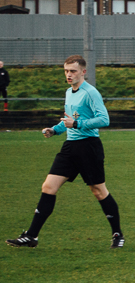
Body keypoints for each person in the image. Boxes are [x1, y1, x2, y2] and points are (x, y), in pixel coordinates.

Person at [8, 54, 124, 250]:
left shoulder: (91, 93)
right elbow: (68, 120)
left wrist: (77, 124)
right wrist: (55, 130)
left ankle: (117, 234)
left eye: (73, 71)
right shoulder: (69, 92)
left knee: (98, 191)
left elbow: (104, 120)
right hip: (70, 147)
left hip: (89, 146)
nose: (69, 75)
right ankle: (31, 236)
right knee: (48, 187)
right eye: (66, 71)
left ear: (83, 72)